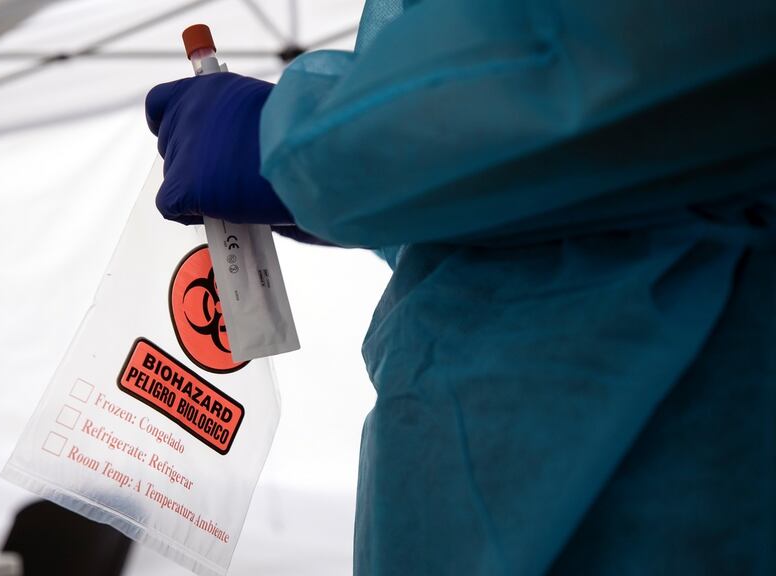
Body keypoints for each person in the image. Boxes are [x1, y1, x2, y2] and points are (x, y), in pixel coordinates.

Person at [145, 1, 776, 574]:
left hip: (661, 459)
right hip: (472, 474)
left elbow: (620, 64)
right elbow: (507, 194)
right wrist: (370, 195)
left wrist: (299, 142)